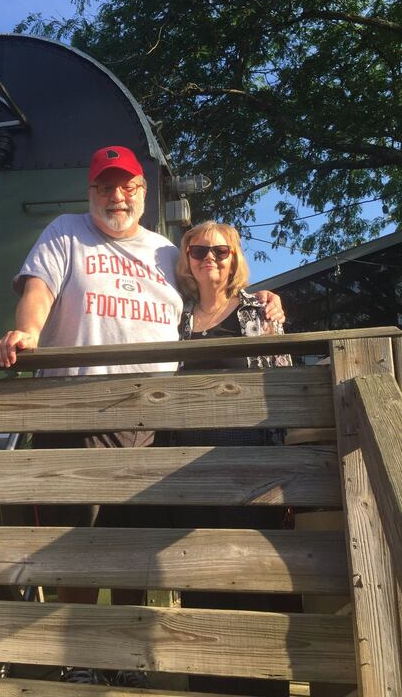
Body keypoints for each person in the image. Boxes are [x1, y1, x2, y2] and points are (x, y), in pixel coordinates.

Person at [0, 147, 285, 687]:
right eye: (105, 187)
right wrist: (28, 332)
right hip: (77, 412)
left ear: (144, 194)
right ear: (91, 193)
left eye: (126, 187)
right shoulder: (66, 231)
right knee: (73, 548)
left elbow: (212, 299)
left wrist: (263, 300)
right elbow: (39, 290)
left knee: (131, 547)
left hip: (152, 422)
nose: (116, 196)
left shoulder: (167, 252)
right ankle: (79, 656)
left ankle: (123, 658)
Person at [172, 220, 294, 697]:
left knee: (256, 579)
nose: (210, 259)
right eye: (199, 250)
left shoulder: (258, 311)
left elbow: (282, 386)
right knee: (200, 580)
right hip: (190, 472)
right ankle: (209, 681)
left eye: (221, 252)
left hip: (249, 469)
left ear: (234, 258)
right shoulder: (174, 315)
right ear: (186, 259)